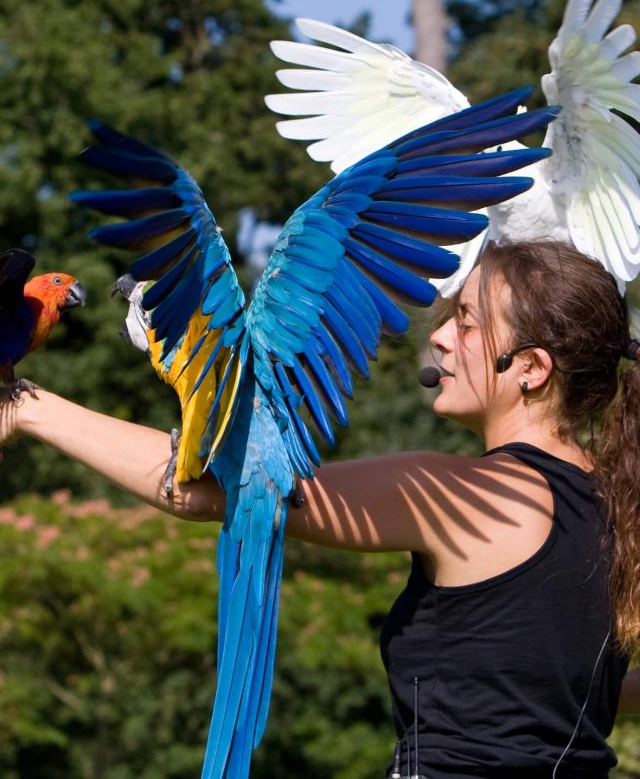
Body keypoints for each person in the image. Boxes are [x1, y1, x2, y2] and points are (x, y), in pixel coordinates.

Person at [1, 239, 639, 776]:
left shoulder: (456, 493)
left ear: (530, 368)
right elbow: (562, 681)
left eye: (467, 323)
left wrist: (27, 406)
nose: (440, 338)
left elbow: (210, 495)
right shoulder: (616, 505)